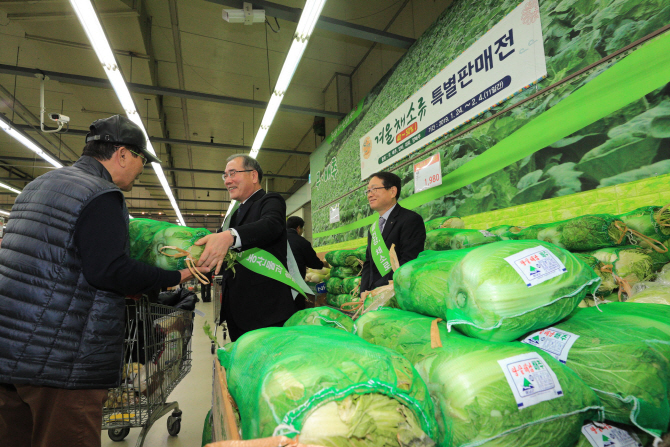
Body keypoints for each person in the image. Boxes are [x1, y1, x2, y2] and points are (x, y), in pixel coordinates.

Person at [0, 115, 207, 447]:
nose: (142, 169)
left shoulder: (36, 186)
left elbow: (57, 262)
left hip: (10, 351)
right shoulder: (102, 194)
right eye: (142, 160)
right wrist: (175, 276)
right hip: (62, 361)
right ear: (123, 154)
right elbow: (110, 271)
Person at [195, 154, 296, 341]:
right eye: (225, 175)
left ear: (253, 176)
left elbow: (271, 225)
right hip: (237, 312)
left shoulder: (270, 200)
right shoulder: (233, 215)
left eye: (232, 173)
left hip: (265, 312)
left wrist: (230, 236)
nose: (227, 180)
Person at [360, 171, 426, 295]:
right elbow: (368, 264)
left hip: (396, 294)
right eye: (368, 191)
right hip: (373, 296)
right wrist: (364, 291)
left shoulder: (410, 220)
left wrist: (379, 291)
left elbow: (409, 262)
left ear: (392, 192)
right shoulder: (373, 229)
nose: (369, 195)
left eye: (374, 189)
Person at [286, 216, 327, 280]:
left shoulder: (277, 239)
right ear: (298, 228)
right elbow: (313, 263)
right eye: (303, 229)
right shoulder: (302, 242)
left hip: (277, 277)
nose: (302, 232)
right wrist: (324, 264)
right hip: (295, 280)